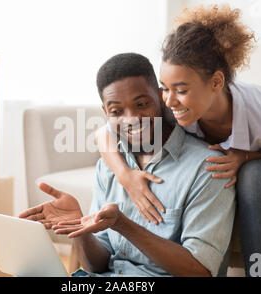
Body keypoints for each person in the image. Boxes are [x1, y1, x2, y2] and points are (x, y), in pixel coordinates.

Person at [96, 5, 261, 277]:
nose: (168, 100)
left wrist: (245, 156)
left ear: (216, 82)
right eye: (165, 89)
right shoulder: (174, 105)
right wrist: (126, 177)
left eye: (180, 90)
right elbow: (104, 133)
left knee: (252, 176)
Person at [19, 53, 236, 277]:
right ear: (105, 112)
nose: (131, 118)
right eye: (116, 111)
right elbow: (97, 266)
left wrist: (123, 225)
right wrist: (80, 227)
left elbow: (200, 272)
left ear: (161, 98)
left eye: (141, 104)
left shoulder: (207, 167)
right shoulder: (109, 165)